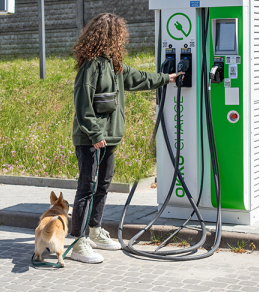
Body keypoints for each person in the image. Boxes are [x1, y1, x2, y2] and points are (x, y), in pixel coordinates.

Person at [70, 13, 183, 263]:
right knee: (86, 188)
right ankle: (78, 242)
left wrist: (167, 78)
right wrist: (96, 133)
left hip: (109, 138)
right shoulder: (91, 66)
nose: (121, 40)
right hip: (91, 139)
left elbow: (139, 78)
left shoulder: (114, 64)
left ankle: (95, 231)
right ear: (109, 36)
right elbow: (82, 105)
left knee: (103, 185)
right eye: (118, 35)